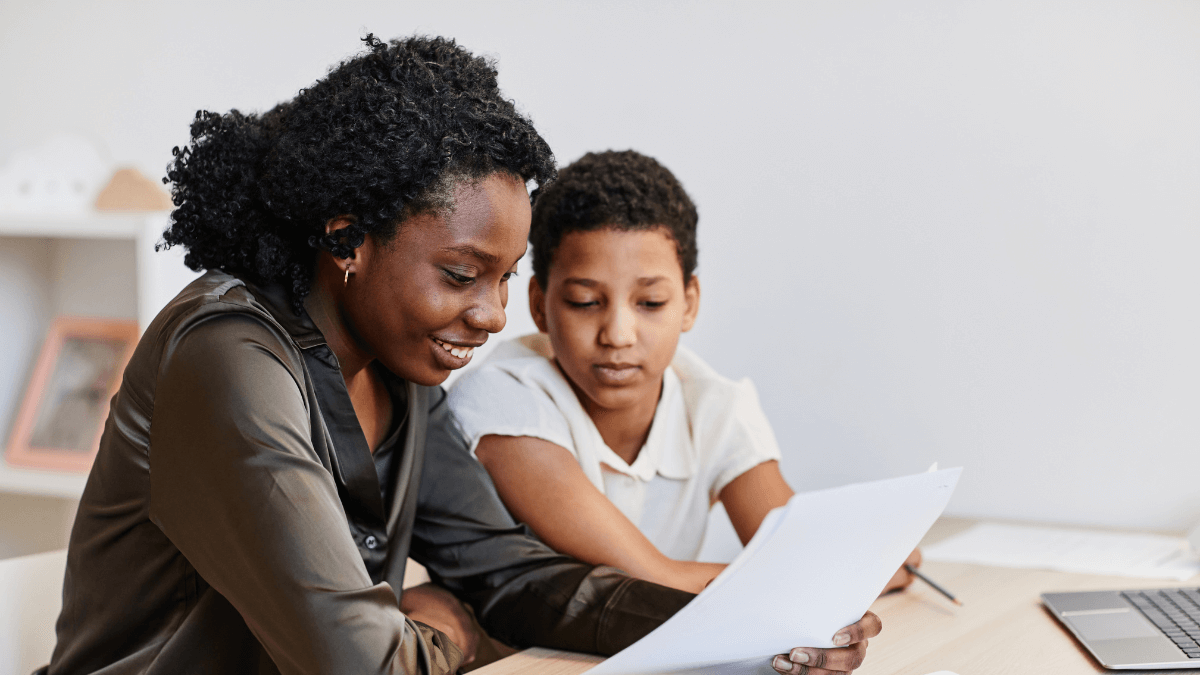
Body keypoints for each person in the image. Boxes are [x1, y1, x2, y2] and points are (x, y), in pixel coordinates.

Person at [40, 38, 879, 675]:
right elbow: (361, 661)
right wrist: (451, 629)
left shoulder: (401, 371)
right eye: (460, 274)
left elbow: (511, 573)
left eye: (504, 277)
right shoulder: (227, 356)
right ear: (347, 238)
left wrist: (758, 631)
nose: (494, 314)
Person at [449, 150, 921, 600]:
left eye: (650, 303)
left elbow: (796, 553)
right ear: (539, 305)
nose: (618, 335)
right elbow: (652, 578)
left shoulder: (713, 404)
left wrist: (858, 563)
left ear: (689, 303)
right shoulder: (502, 397)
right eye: (585, 302)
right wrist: (841, 575)